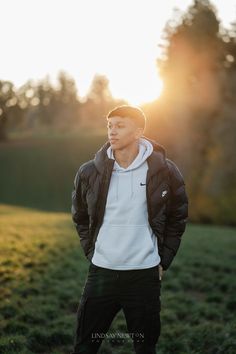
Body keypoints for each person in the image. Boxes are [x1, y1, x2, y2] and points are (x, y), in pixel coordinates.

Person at [70, 105, 188, 354]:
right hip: (101, 273)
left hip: (144, 276)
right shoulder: (89, 172)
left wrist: (163, 259)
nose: (112, 131)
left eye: (120, 125)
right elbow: (80, 216)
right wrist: (92, 251)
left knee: (145, 346)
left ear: (138, 131)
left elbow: (178, 217)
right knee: (84, 345)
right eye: (109, 125)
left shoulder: (165, 172)